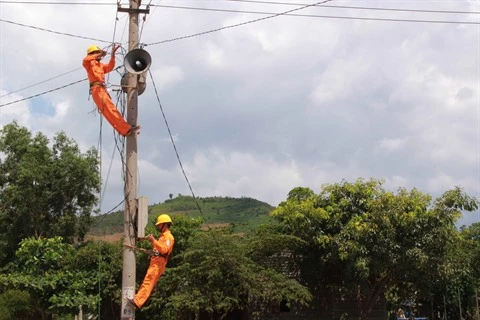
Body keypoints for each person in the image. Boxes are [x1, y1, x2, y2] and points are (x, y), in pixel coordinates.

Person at [82, 44, 140, 136]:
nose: (99, 55)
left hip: (101, 89)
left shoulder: (100, 65)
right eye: (96, 53)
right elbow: (86, 59)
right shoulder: (87, 63)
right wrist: (100, 54)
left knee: (111, 110)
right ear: (92, 53)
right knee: (110, 111)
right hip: (96, 90)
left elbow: (110, 66)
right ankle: (125, 130)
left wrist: (112, 55)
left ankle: (125, 129)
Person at [127, 214, 174, 309]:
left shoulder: (169, 237)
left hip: (158, 264)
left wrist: (153, 241)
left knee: (148, 282)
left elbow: (164, 249)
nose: (158, 226)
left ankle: (137, 302)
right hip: (155, 262)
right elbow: (158, 249)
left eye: (159, 225)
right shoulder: (162, 237)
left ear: (165, 224)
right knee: (147, 281)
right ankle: (137, 300)